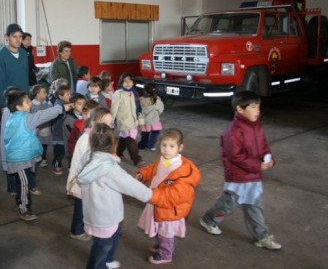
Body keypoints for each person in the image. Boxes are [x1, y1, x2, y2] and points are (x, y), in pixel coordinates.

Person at [200, 91, 282, 250]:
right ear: (240, 109)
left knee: (255, 206)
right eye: (253, 107)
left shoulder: (257, 126)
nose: (257, 110)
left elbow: (264, 144)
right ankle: (209, 220)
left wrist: (268, 157)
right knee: (228, 205)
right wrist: (257, 166)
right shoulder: (233, 131)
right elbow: (235, 156)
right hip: (238, 178)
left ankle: (261, 237)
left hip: (253, 176)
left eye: (258, 106)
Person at [76, 123, 154, 269]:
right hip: (107, 216)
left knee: (107, 241)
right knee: (103, 246)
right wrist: (150, 195)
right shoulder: (110, 169)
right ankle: (98, 266)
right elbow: (131, 185)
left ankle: (107, 261)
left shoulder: (87, 157)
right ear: (114, 145)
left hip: (94, 212)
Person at [4, 90, 72, 221]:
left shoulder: (14, 117)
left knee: (24, 182)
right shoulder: (26, 118)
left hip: (23, 155)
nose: (31, 104)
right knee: (24, 183)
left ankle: (21, 201)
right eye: (28, 102)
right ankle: (24, 209)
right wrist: (61, 107)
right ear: (19, 107)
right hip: (20, 158)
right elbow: (43, 115)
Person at [136, 128, 201, 265]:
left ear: (180, 147)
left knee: (166, 231)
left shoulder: (182, 170)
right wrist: (143, 174)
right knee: (158, 226)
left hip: (169, 208)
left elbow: (176, 195)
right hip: (156, 200)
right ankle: (161, 244)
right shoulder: (162, 159)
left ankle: (166, 254)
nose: (166, 149)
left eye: (172, 146)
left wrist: (152, 195)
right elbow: (154, 169)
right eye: (163, 145)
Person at [67, 107, 112, 242]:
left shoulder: (93, 135)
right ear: (93, 123)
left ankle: (84, 227)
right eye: (105, 122)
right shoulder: (88, 139)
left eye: (111, 123)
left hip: (85, 181)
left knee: (85, 207)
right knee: (81, 208)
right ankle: (77, 231)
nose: (109, 126)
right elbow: (91, 164)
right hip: (82, 182)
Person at [0, 23, 29, 108]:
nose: (18, 39)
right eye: (14, 36)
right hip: (9, 104)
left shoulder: (23, 54)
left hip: (23, 102)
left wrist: (27, 99)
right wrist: (3, 105)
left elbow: (25, 79)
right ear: (7, 37)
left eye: (20, 36)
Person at [111, 72, 145, 167]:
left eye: (130, 81)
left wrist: (141, 121)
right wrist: (110, 122)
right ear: (121, 83)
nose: (128, 83)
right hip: (124, 121)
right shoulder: (118, 94)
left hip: (133, 121)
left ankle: (119, 153)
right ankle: (136, 159)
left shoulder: (135, 93)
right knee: (130, 140)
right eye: (125, 81)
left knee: (125, 138)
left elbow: (139, 109)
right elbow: (114, 109)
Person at [51, 84, 71, 175]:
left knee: (62, 150)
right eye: (68, 95)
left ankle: (57, 163)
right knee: (59, 152)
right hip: (59, 134)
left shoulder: (64, 103)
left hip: (63, 133)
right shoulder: (59, 105)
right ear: (60, 96)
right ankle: (56, 165)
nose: (70, 96)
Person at [30, 84, 52, 170]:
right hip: (37, 130)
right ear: (37, 94)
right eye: (44, 92)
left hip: (46, 128)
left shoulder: (46, 104)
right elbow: (31, 118)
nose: (46, 94)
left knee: (44, 144)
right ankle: (36, 157)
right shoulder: (32, 105)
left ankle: (43, 157)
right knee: (37, 144)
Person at [138, 83, 164, 150]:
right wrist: (157, 113)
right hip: (154, 120)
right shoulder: (156, 100)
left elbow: (139, 110)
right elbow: (160, 109)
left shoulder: (140, 99)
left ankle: (142, 145)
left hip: (144, 120)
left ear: (144, 91)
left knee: (145, 133)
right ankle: (150, 145)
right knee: (155, 132)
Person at [62, 93, 85, 163]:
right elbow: (73, 136)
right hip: (73, 149)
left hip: (82, 148)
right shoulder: (69, 120)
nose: (83, 106)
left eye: (84, 104)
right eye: (80, 104)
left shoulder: (85, 116)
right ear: (72, 105)